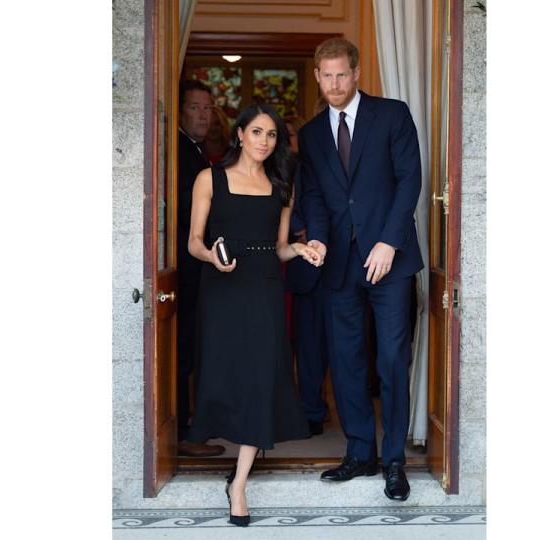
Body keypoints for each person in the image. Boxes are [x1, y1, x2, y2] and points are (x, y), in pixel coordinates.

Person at [298, 37, 423, 501]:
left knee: (391, 360)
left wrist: (389, 240)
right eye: (326, 75)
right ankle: (359, 452)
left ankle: (394, 461)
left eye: (341, 74)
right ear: (317, 76)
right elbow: (312, 192)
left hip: (389, 260)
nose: (334, 83)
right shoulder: (311, 134)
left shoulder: (392, 114)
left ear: (357, 74)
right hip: (339, 262)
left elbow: (410, 178)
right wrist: (315, 235)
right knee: (346, 362)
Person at [186, 103, 321, 526]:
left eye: (272, 135)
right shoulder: (209, 178)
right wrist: (211, 256)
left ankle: (239, 483)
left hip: (264, 288)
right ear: (240, 134)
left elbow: (279, 247)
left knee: (261, 378)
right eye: (258, 132)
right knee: (227, 377)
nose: (265, 141)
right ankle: (232, 464)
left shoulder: (282, 185)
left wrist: (300, 249)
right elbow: (192, 241)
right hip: (222, 289)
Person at [176, 79, 225, 458]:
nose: (203, 115)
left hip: (196, 269)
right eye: (195, 107)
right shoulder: (178, 152)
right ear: (180, 110)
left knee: (192, 350)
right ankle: (183, 434)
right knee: (183, 352)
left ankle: (188, 429)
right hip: (184, 269)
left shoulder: (194, 151)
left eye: (208, 108)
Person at [282, 115, 330, 436]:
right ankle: (309, 411)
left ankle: (322, 407)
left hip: (342, 264)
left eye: (291, 135)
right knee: (308, 344)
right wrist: (301, 231)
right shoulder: (289, 169)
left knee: (338, 345)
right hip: (302, 264)